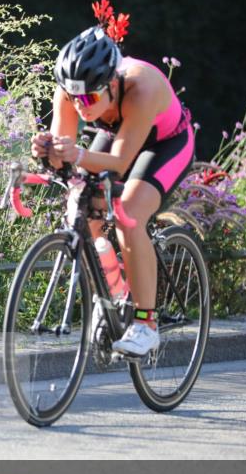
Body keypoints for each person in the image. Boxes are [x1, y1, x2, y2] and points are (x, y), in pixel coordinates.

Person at [31, 26, 195, 357]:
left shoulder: (141, 86)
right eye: (74, 99)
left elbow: (118, 163)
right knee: (80, 206)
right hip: (118, 132)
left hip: (165, 143)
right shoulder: (73, 90)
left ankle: (146, 324)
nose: (81, 107)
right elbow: (66, 156)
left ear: (113, 83)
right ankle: (112, 293)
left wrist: (74, 154)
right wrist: (47, 151)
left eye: (90, 98)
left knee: (129, 214)